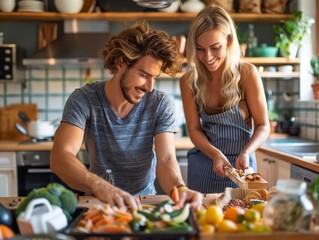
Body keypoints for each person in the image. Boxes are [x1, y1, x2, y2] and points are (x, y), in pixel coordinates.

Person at [50, 21, 203, 210]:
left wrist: (179, 188)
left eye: (154, 78)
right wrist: (101, 187)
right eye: (144, 75)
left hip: (143, 204)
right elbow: (60, 157)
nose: (149, 87)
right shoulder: (84, 99)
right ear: (121, 63)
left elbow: (165, 160)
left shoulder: (160, 104)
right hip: (100, 203)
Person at [179, 6, 270, 193]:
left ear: (228, 41)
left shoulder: (247, 74)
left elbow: (263, 125)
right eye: (200, 49)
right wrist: (215, 154)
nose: (208, 57)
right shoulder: (189, 81)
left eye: (215, 48)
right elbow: (194, 130)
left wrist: (247, 152)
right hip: (204, 164)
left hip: (242, 167)